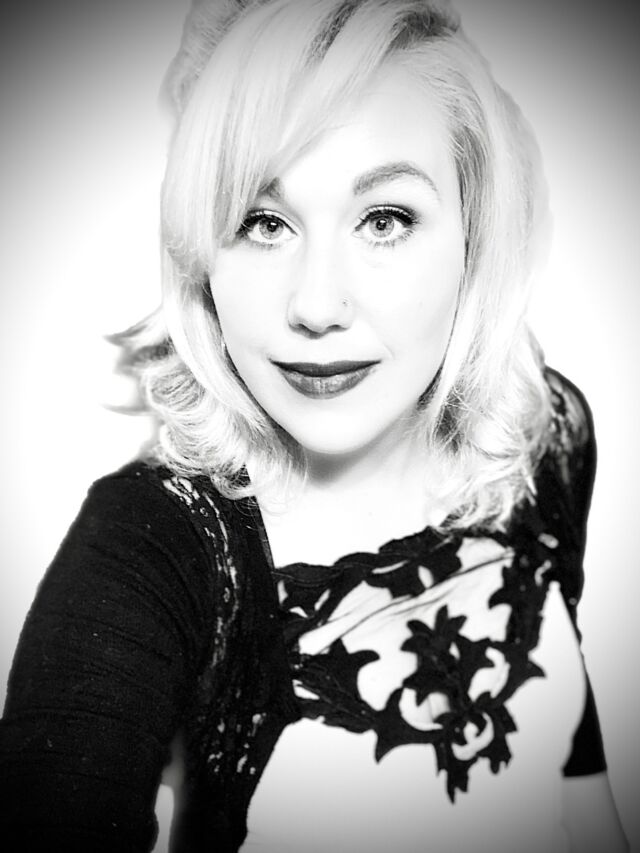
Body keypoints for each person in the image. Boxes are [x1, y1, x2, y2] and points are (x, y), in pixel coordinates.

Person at [0, 0, 630, 851]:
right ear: (204, 256)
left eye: (385, 219)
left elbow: (577, 778)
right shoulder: (150, 548)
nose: (317, 304)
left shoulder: (547, 433)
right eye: (264, 222)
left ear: (475, 239)